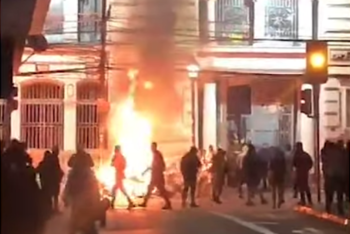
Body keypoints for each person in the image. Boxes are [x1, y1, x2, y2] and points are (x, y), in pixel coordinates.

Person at [65, 148, 100, 234]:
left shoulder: (75, 170)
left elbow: (69, 164)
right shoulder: (84, 162)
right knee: (82, 217)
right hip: (82, 194)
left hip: (80, 194)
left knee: (77, 217)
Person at [140, 142, 172, 209]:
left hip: (157, 176)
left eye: (152, 147)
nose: (151, 148)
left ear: (155, 147)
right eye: (151, 147)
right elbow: (154, 165)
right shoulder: (156, 154)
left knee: (161, 190)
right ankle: (145, 202)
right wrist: (145, 171)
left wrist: (151, 171)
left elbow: (157, 165)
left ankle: (168, 203)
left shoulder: (157, 154)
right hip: (155, 175)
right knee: (151, 188)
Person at [110, 145, 135, 209]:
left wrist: (118, 167)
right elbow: (112, 164)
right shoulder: (119, 156)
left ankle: (130, 201)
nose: (114, 150)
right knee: (118, 188)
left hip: (119, 174)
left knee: (118, 188)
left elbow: (115, 164)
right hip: (119, 174)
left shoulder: (119, 157)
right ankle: (112, 202)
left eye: (115, 149)